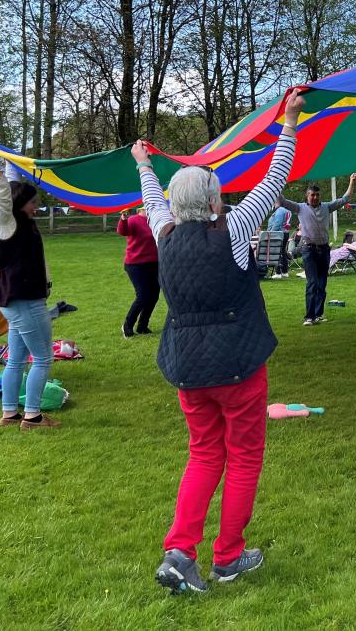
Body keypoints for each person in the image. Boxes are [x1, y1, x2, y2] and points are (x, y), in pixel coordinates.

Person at [134, 89, 304, 595]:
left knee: (204, 454)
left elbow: (151, 198)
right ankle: (227, 557)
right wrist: (289, 123)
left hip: (187, 367)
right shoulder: (232, 230)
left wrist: (144, 163)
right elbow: (275, 180)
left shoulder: (162, 232)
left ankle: (181, 552)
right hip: (240, 364)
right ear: (213, 201)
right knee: (244, 457)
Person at [0, 153, 59, 431]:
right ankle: (33, 417)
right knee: (43, 358)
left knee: (17, 360)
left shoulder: (15, 221)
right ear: (20, 205)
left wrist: (10, 162)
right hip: (24, 302)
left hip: (16, 301)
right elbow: (2, 194)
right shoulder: (6, 222)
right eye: (34, 202)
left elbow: (11, 187)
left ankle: (10, 414)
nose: (37, 207)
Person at [281, 176, 356, 326]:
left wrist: (352, 181)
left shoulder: (326, 207)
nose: (315, 197)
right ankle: (309, 316)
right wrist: (276, 182)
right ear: (307, 196)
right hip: (309, 250)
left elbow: (345, 199)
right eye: (312, 195)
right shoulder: (299, 208)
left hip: (324, 250)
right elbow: (282, 201)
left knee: (322, 284)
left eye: (317, 195)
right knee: (313, 283)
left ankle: (318, 314)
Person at [117, 207, 160, 338]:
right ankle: (127, 325)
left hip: (154, 263)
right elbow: (123, 231)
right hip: (136, 264)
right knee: (142, 296)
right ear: (141, 209)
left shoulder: (155, 220)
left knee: (153, 295)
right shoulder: (134, 220)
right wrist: (123, 219)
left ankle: (143, 326)